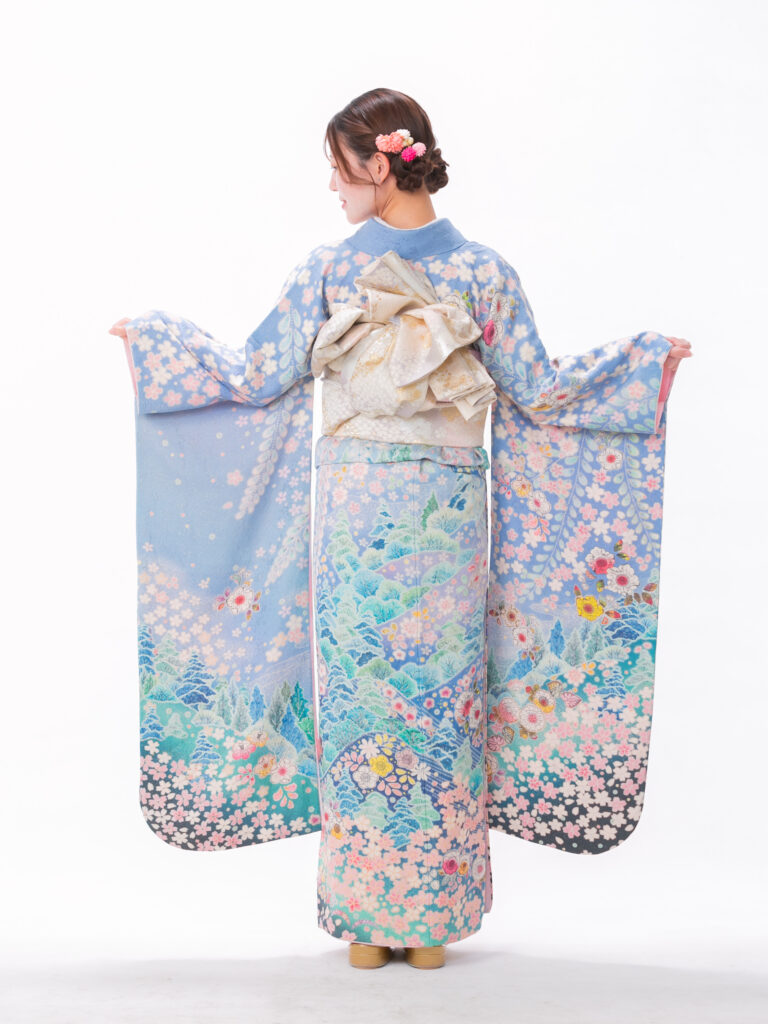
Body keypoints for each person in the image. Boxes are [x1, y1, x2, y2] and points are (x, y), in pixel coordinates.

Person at [111, 86, 692, 972]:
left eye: (339, 170)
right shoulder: (329, 271)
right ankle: (365, 911)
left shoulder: (482, 273)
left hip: (446, 526)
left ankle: (433, 912)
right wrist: (157, 345)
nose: (332, 187)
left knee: (442, 702)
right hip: (355, 522)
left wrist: (643, 363)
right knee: (361, 701)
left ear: (380, 166)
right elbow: (259, 373)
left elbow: (538, 388)